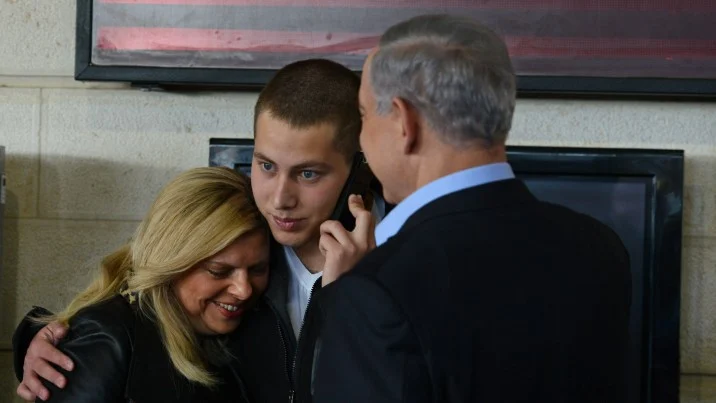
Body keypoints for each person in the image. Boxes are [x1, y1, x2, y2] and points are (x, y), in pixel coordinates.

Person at [14, 59, 378, 403]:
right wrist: (55, 340)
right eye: (266, 166)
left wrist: (351, 302)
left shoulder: (395, 265)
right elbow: (135, 305)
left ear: (360, 168)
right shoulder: (250, 237)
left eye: (308, 173)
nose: (280, 199)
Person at [313, 14, 632, 403]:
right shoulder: (601, 248)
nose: (362, 139)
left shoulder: (373, 293)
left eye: (363, 115)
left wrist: (341, 301)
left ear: (404, 122)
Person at [13, 167, 269, 402]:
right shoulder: (110, 340)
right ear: (170, 261)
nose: (244, 290)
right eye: (218, 271)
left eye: (258, 269)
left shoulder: (251, 326)